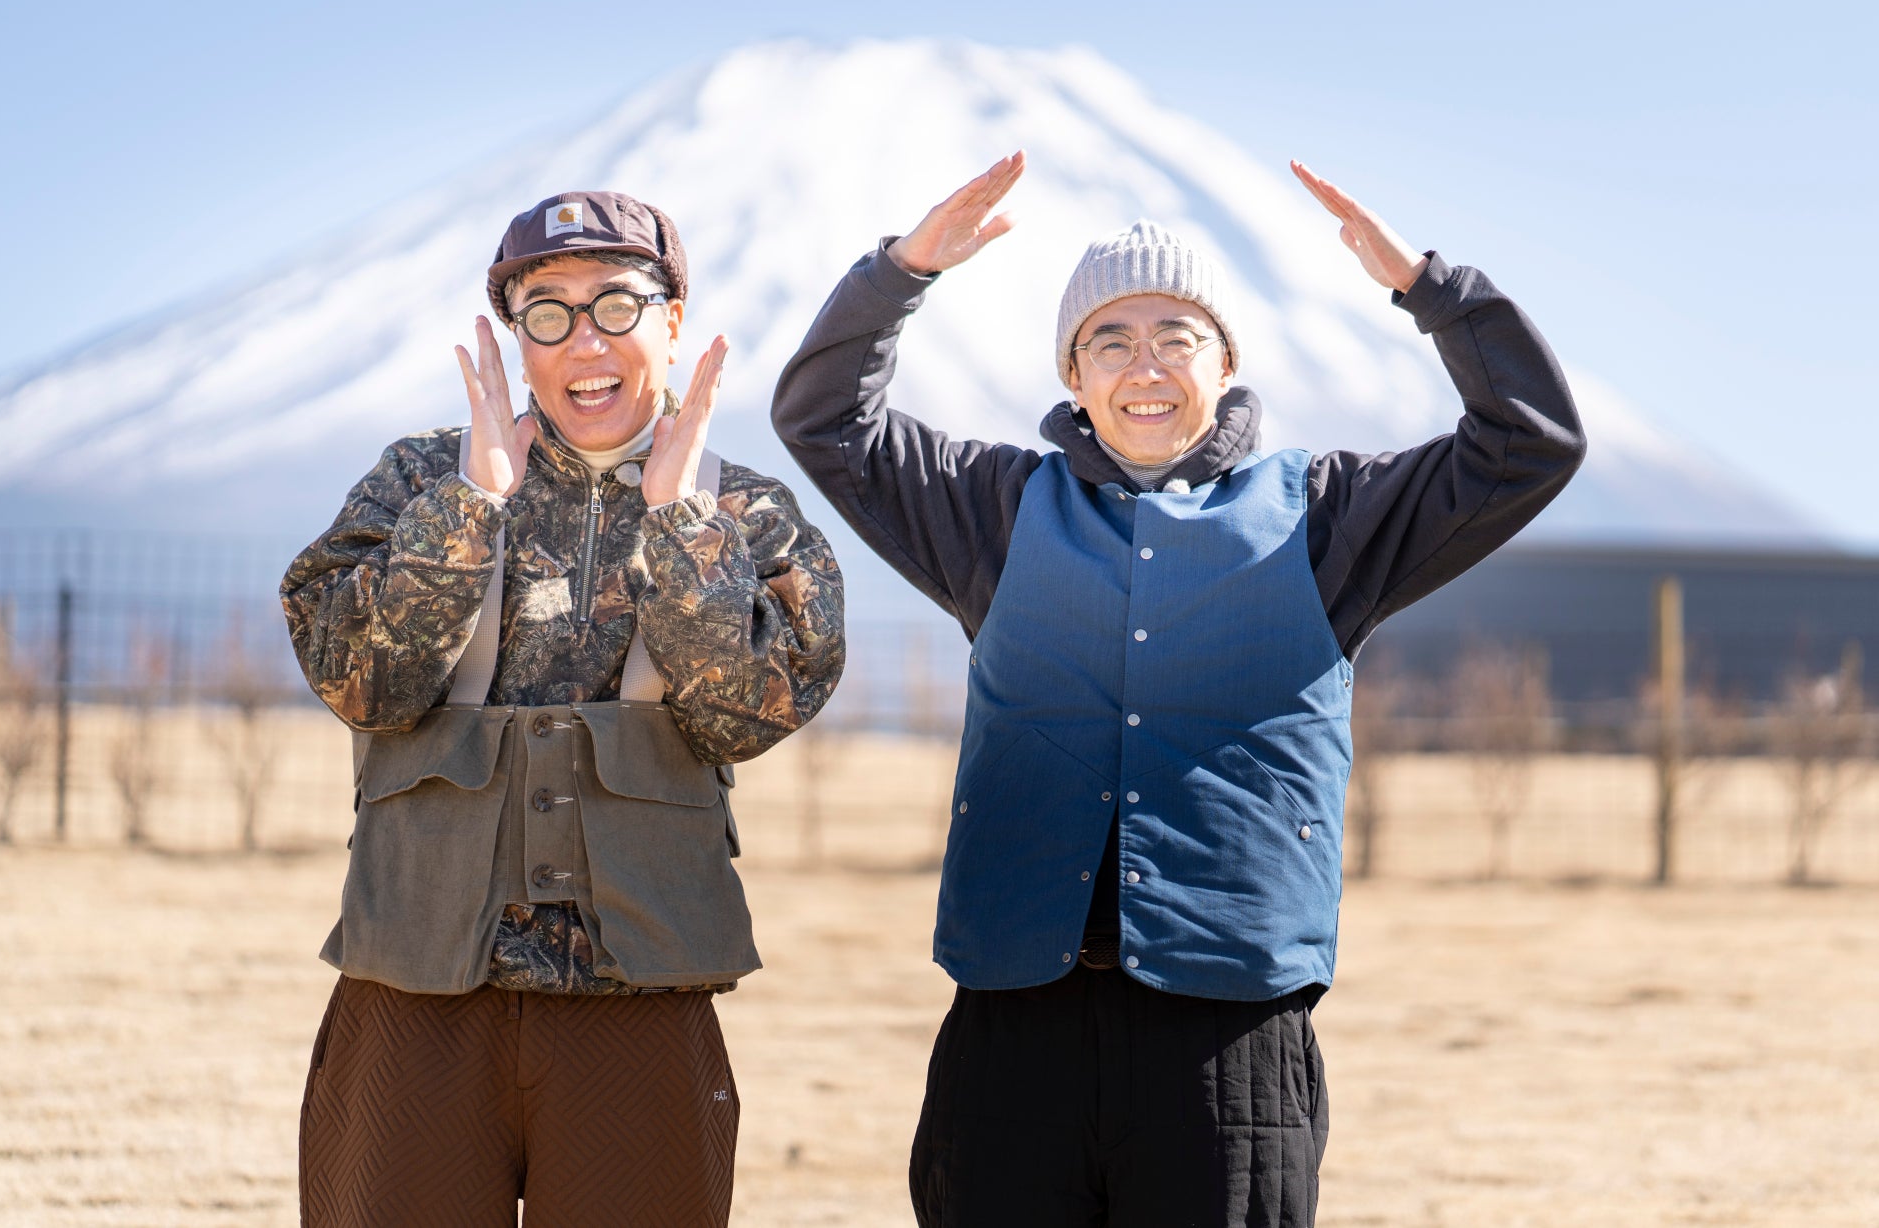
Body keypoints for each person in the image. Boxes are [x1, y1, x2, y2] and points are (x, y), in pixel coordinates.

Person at [772, 152, 1585, 1226]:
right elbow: (826, 422)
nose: (1143, 365)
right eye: (1109, 339)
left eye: (1175, 338)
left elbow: (1527, 443)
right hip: (1014, 1023)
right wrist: (902, 272)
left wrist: (1433, 291)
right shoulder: (998, 511)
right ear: (1073, 374)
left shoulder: (1326, 517)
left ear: (1225, 363)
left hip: (1226, 1038)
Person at [282, 189, 845, 1227]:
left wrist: (681, 530)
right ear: (516, 339)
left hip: (639, 1010)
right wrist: (470, 509)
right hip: (418, 998)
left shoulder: (748, 513)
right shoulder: (419, 480)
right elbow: (359, 679)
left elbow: (750, 717)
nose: (584, 339)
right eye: (548, 312)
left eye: (617, 306)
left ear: (673, 321)